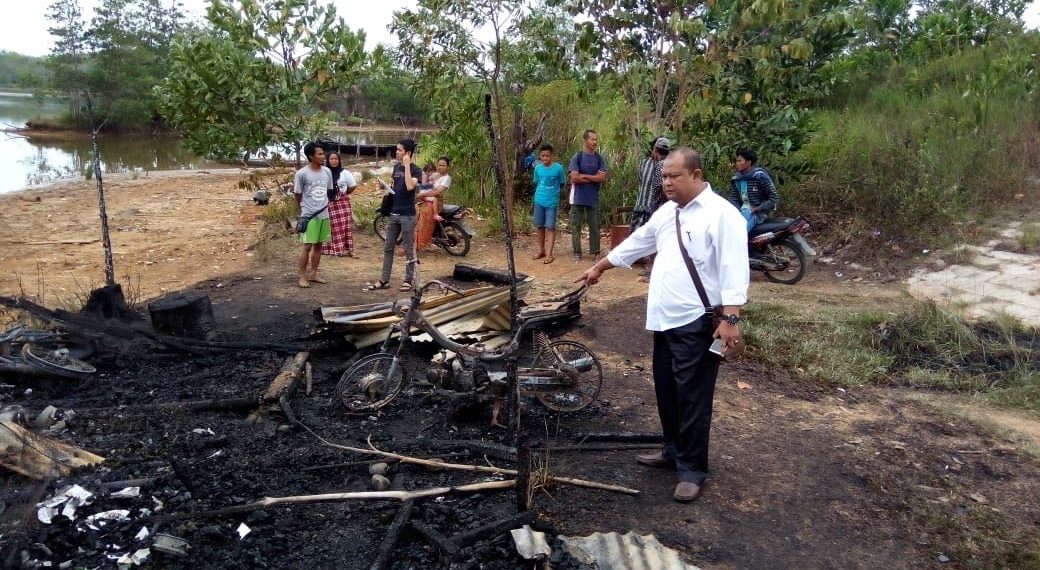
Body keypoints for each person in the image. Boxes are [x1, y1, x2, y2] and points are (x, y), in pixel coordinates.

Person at [575, 147, 750, 503]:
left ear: (697, 175)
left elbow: (734, 268)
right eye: (664, 176)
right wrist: (600, 267)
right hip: (665, 320)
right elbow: (639, 241)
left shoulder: (722, 215)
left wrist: (731, 318)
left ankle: (692, 469)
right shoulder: (667, 212)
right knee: (667, 390)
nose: (667, 182)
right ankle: (673, 451)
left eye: (674, 176)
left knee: (693, 397)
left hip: (699, 322)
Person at [365, 139, 422, 292]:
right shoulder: (396, 167)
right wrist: (385, 187)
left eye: (399, 150)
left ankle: (408, 280)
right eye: (396, 150)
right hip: (394, 213)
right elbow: (396, 188)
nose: (396, 152)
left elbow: (410, 186)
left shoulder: (416, 170)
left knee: (409, 249)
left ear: (408, 153)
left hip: (407, 215)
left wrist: (407, 165)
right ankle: (384, 280)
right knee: (388, 248)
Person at [293, 142, 335, 288]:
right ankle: (302, 276)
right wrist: (303, 210)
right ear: (311, 156)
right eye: (319, 154)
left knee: (319, 246)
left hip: (324, 214)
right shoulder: (301, 174)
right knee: (307, 246)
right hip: (309, 215)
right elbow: (297, 194)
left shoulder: (327, 172)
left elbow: (329, 192)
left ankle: (314, 274)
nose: (323, 157)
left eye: (323, 154)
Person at [630, 137, 671, 281]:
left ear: (655, 150)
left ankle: (654, 272)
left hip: (659, 207)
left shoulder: (660, 165)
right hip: (660, 207)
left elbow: (663, 189)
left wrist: (661, 207)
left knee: (656, 240)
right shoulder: (669, 163)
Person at [568, 129, 608, 262]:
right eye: (592, 139)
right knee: (576, 226)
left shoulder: (599, 158)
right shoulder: (577, 157)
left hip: (593, 198)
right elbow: (574, 178)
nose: (595, 142)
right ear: (585, 140)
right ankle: (577, 252)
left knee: (595, 226)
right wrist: (593, 177)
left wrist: (584, 175)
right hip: (578, 198)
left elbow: (602, 177)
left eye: (596, 139)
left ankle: (596, 252)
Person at [531, 144, 567, 264]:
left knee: (550, 227)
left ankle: (549, 254)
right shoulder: (538, 169)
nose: (545, 158)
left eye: (547, 156)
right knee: (539, 226)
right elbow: (536, 182)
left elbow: (562, 183)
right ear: (540, 156)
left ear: (552, 156)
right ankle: (541, 250)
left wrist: (553, 193)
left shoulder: (558, 168)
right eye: (543, 156)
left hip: (552, 202)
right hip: (539, 200)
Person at [728, 148, 779, 232]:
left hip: (758, 214)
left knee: (739, 232)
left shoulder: (760, 176)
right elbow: (734, 198)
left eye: (740, 161)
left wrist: (757, 208)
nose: (737, 163)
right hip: (742, 211)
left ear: (748, 162)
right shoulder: (736, 179)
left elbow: (774, 198)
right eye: (737, 161)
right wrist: (735, 211)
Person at [320, 151, 358, 258]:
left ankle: (347, 248)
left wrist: (343, 195)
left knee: (344, 227)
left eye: (336, 159)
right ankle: (332, 248)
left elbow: (352, 186)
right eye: (331, 159)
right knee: (331, 226)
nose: (334, 161)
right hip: (328, 203)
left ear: (339, 160)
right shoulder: (323, 172)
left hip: (342, 204)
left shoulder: (344, 173)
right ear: (327, 160)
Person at [416, 156, 452, 251]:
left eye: (443, 165)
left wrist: (422, 194)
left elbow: (437, 193)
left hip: (435, 202)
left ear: (448, 167)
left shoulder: (447, 179)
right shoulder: (435, 174)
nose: (440, 167)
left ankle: (419, 243)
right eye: (439, 165)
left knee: (423, 219)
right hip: (427, 199)